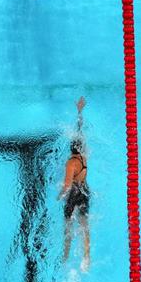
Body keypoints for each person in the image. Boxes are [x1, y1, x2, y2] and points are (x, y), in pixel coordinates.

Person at [58, 97, 91, 272]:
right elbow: (80, 133)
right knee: (84, 224)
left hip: (74, 193)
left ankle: (66, 255)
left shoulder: (71, 163)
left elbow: (67, 185)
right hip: (85, 189)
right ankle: (87, 257)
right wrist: (80, 113)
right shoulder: (84, 157)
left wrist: (59, 196)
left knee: (68, 224)